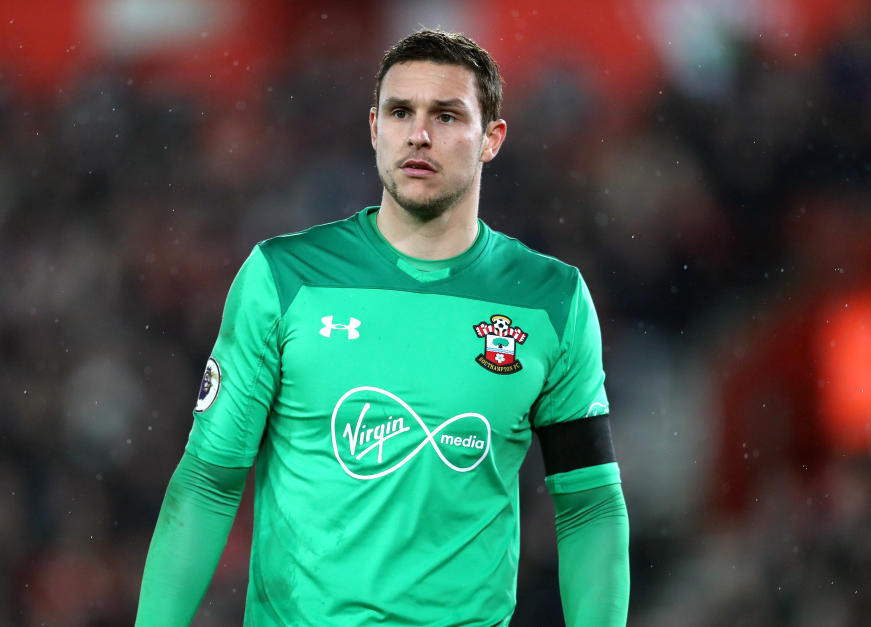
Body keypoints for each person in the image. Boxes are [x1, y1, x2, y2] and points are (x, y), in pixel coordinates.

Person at [136, 29, 629, 626]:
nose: (419, 134)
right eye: (401, 112)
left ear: (491, 139)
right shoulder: (284, 279)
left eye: (447, 116)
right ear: (375, 129)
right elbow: (210, 482)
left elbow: (588, 506)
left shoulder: (552, 302)